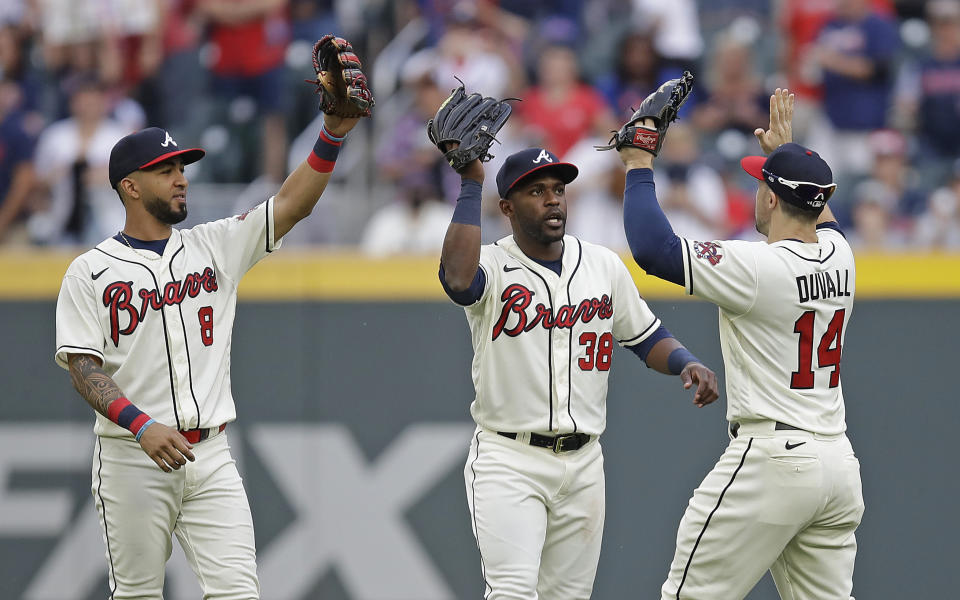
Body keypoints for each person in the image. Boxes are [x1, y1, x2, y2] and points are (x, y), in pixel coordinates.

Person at [53, 104, 364, 594]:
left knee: (239, 592)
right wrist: (141, 425)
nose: (181, 179)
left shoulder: (213, 245)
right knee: (137, 594)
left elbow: (290, 206)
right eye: (165, 170)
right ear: (130, 187)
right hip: (132, 455)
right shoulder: (89, 271)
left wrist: (331, 135)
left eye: (182, 169)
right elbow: (82, 367)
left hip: (211, 454)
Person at [438, 146, 719, 599]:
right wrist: (472, 184)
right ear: (507, 207)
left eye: (558, 189)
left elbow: (645, 337)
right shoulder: (491, 262)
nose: (553, 200)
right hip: (511, 459)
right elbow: (457, 280)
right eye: (536, 191)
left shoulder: (601, 263)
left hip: (585, 461)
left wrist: (686, 361)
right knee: (512, 592)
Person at [617, 88, 864, 598]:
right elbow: (823, 215)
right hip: (838, 466)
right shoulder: (842, 256)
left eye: (761, 183)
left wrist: (639, 161)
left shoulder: (759, 267)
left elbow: (652, 248)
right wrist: (789, 153)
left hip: (773, 458)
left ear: (771, 198)